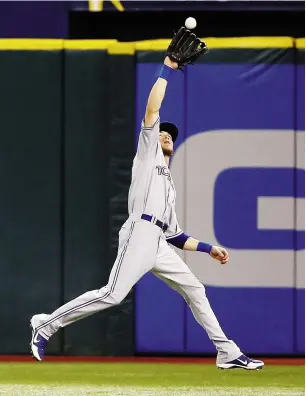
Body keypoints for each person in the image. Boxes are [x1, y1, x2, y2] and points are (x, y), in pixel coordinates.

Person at [30, 56, 264, 370]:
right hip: (139, 231)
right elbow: (153, 110)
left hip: (158, 242)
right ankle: (46, 324)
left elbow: (177, 237)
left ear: (175, 146)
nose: (165, 135)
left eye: (170, 135)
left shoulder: (169, 185)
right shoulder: (147, 156)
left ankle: (227, 352)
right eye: (162, 133)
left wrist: (209, 249)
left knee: (195, 288)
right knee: (113, 294)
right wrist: (168, 66)